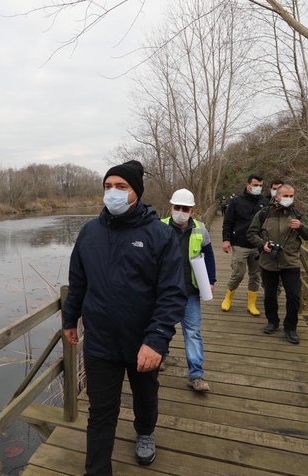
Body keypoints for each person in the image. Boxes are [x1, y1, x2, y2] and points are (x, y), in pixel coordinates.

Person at [62, 160, 187, 474]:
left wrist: (156, 341)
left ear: (136, 192)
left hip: (143, 341)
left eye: (121, 187)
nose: (112, 193)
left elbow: (172, 293)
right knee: (100, 414)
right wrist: (69, 319)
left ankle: (145, 432)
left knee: (146, 395)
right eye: (108, 186)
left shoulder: (159, 235)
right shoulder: (89, 233)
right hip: (100, 343)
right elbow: (78, 282)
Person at [160, 188, 216, 392]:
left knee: (192, 332)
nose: (180, 211)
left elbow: (209, 256)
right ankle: (160, 356)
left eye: (185, 208)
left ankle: (196, 375)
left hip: (190, 291)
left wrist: (210, 281)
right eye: (177, 207)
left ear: (192, 211)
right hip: (164, 291)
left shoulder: (201, 229)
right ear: (171, 208)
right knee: (161, 327)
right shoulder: (159, 227)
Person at [247, 184, 308, 344]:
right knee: (270, 295)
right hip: (268, 261)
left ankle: (290, 328)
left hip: (290, 262)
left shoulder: (297, 214)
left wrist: (301, 227)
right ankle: (273, 322)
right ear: (276, 197)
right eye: (286, 195)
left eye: (292, 196)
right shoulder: (264, 213)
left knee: (294, 297)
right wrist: (262, 244)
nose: (289, 198)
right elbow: (251, 233)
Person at [220, 174, 268, 316]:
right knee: (238, 273)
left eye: (260, 186)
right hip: (239, 243)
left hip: (258, 245)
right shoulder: (236, 201)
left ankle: (251, 304)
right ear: (248, 185)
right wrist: (226, 240)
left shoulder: (265, 202)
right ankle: (228, 297)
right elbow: (227, 222)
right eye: (255, 185)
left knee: (255, 275)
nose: (258, 188)